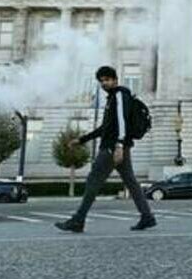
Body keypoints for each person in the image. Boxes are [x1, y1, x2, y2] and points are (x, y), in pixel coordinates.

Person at [55, 66, 156, 233]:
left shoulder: (119, 95)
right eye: (101, 81)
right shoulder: (113, 98)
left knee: (93, 180)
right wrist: (81, 140)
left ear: (115, 80)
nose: (104, 83)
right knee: (131, 182)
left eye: (107, 80)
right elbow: (105, 127)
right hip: (118, 145)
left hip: (112, 147)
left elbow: (122, 121)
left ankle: (78, 220)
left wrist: (119, 145)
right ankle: (147, 216)